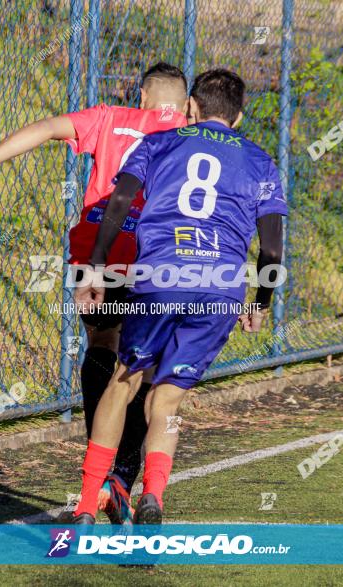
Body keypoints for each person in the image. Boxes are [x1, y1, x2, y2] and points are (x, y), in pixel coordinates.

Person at [0, 62, 189, 523]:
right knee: (147, 375)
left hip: (100, 247)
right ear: (185, 103)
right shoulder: (192, 135)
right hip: (161, 258)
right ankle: (122, 478)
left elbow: (46, 128)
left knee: (102, 347)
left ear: (143, 96)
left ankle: (101, 466)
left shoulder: (112, 117)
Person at [71, 68, 288, 524]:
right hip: (220, 292)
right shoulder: (261, 162)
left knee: (124, 381)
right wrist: (261, 304)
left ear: (191, 108)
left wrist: (95, 267)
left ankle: (88, 503)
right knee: (167, 399)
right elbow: (270, 248)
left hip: (161, 277)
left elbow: (118, 201)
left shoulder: (159, 143)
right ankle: (153, 495)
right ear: (240, 117)